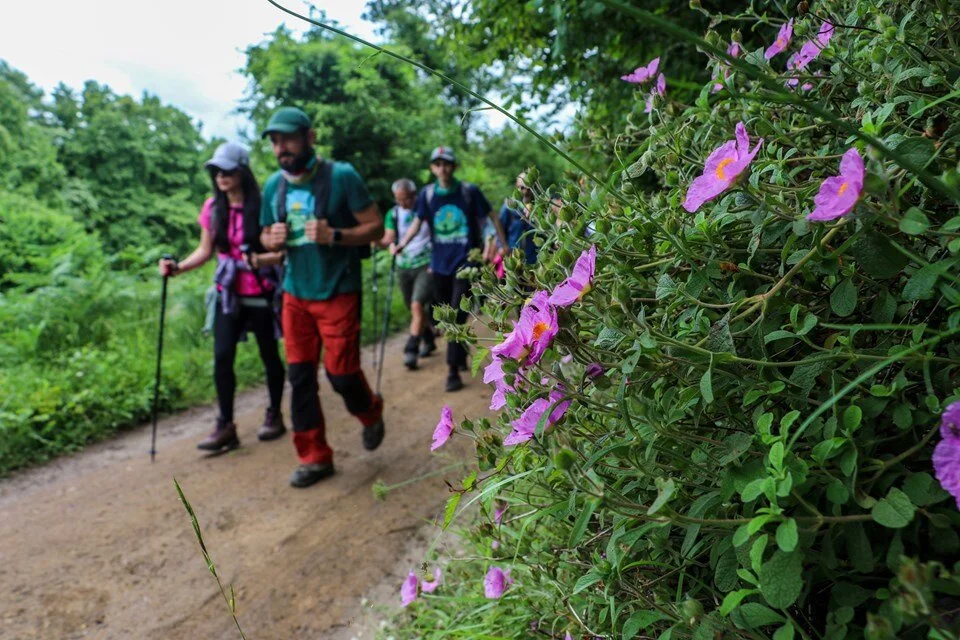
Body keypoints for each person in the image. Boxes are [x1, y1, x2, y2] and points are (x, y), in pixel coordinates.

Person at [259, 106, 386, 488]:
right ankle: (314, 458)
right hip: (295, 294)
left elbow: (376, 227)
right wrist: (270, 239)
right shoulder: (273, 186)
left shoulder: (342, 176)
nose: (282, 147)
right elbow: (266, 234)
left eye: (289, 138)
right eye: (276, 141)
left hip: (338, 291)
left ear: (310, 138)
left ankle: (370, 413)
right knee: (299, 378)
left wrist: (336, 236)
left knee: (342, 374)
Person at [158, 142, 286, 453]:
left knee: (269, 355)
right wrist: (178, 268)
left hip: (261, 290)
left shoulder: (264, 204)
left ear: (242, 172)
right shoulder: (213, 209)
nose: (221, 176)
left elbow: (279, 250)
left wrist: (265, 258)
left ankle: (274, 413)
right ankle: (225, 424)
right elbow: (205, 250)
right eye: (216, 171)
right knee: (222, 357)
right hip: (228, 292)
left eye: (227, 170)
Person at [393, 146, 509, 393]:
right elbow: (417, 222)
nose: (442, 168)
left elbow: (492, 216)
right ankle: (460, 353)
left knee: (457, 314)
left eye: (446, 164)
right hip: (439, 266)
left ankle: (452, 371)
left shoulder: (469, 192)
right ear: (432, 168)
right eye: (438, 164)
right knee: (446, 318)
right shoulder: (427, 195)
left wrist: (503, 244)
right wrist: (402, 244)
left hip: (466, 263)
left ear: (453, 167)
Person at [378, 178, 437, 370]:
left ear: (414, 195)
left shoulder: (426, 209)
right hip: (404, 266)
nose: (403, 204)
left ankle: (411, 348)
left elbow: (438, 234)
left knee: (417, 304)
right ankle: (428, 337)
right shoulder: (393, 214)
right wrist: (385, 243)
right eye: (399, 200)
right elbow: (389, 237)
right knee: (412, 308)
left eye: (407, 199)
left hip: (425, 263)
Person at [499, 171, 541, 266]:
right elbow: (499, 229)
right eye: (522, 188)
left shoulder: (539, 206)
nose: (525, 191)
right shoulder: (509, 207)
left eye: (529, 188)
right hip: (514, 258)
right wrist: (503, 247)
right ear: (516, 187)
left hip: (535, 259)